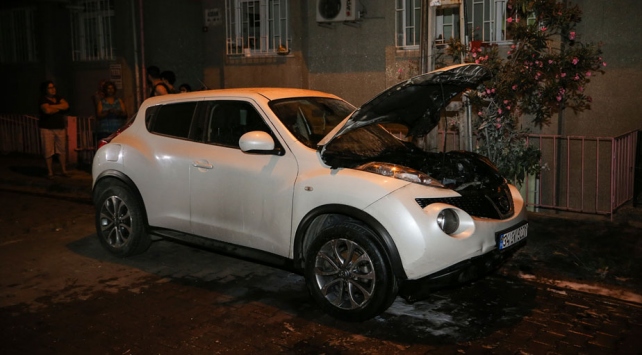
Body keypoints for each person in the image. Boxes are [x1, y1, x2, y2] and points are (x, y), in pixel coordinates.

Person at [38, 80, 70, 178]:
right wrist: (58, 108)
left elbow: (66, 106)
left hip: (59, 127)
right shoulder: (42, 99)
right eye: (50, 88)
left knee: (61, 150)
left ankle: (63, 170)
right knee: (48, 150)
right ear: (45, 89)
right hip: (47, 128)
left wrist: (52, 107)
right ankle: (50, 172)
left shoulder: (59, 98)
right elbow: (47, 111)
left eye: (53, 87)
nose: (53, 90)